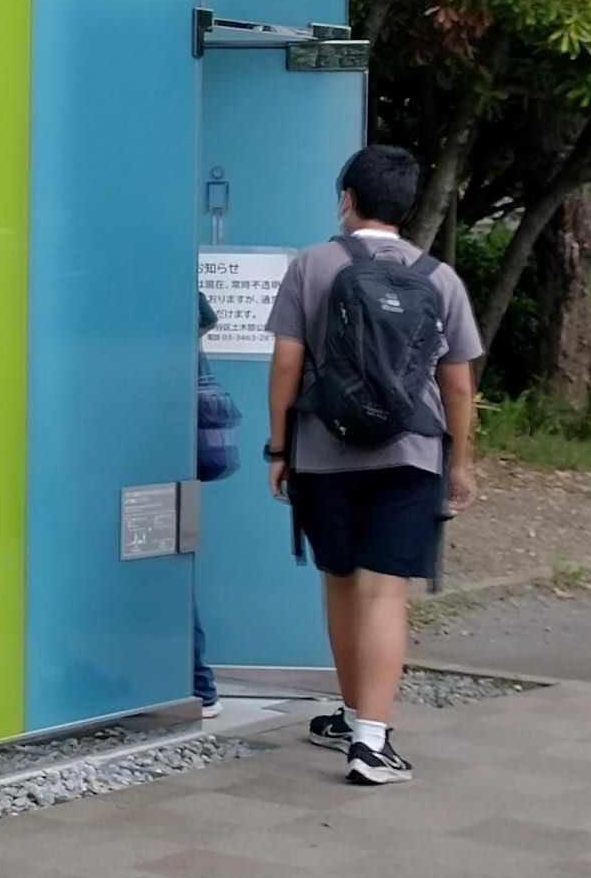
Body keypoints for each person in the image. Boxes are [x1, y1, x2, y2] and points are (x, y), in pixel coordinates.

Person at [262, 146, 480, 787]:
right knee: (385, 591)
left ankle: (354, 714)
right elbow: (458, 383)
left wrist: (279, 449)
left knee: (339, 581)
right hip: (410, 454)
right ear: (406, 208)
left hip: (323, 452)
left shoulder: (312, 265)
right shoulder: (440, 277)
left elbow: (286, 363)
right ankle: (370, 742)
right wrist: (461, 463)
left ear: (346, 200)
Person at [192, 287, 241, 720]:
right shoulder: (168, 271)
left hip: (139, 427)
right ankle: (198, 684)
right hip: (172, 423)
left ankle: (197, 683)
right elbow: (206, 318)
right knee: (169, 557)